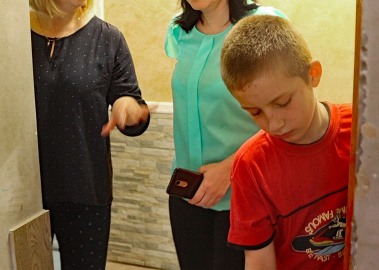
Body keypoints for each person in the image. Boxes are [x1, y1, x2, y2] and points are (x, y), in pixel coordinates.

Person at [220, 15, 352, 269]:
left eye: (282, 103)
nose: (274, 124)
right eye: (255, 112)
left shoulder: (360, 129)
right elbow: (259, 262)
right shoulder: (251, 165)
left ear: (313, 74)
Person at [164, 1, 286, 269]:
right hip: (188, 195)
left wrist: (231, 168)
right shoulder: (179, 30)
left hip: (246, 195)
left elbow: (284, 118)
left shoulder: (262, 24)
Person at [29, 0, 150, 268]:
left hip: (85, 189)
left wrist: (128, 108)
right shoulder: (11, 36)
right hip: (22, 192)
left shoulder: (107, 38)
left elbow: (131, 102)